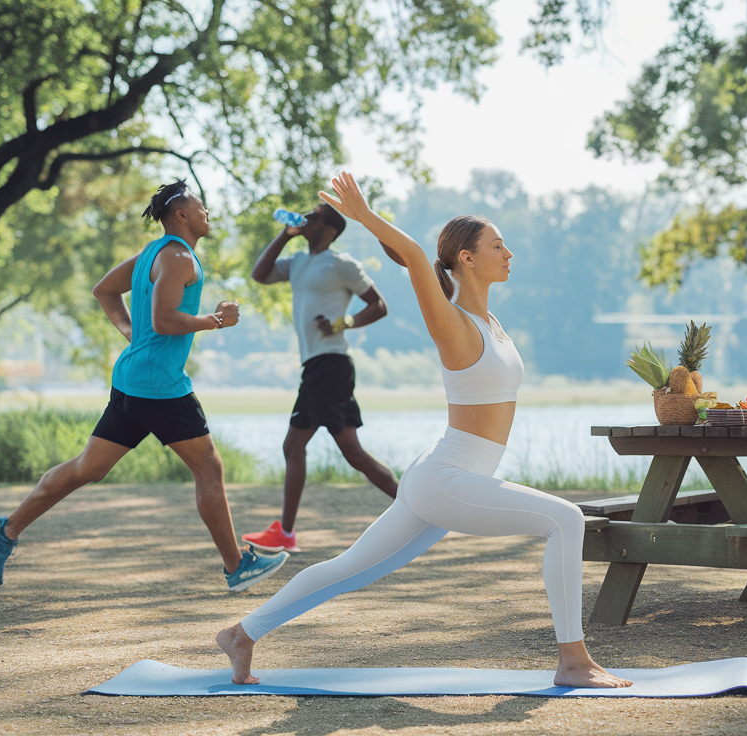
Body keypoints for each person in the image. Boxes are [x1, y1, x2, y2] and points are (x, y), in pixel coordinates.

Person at [216, 172, 631, 688]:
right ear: (467, 258)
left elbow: (422, 263)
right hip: (447, 477)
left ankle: (242, 633)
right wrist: (364, 216)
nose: (509, 253)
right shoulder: (451, 322)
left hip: (441, 474)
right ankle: (573, 662)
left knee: (351, 570)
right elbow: (414, 258)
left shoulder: (490, 323)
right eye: (497, 245)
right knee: (566, 519)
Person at [0, 181, 288, 593]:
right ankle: (237, 566)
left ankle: (6, 530)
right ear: (181, 215)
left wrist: (133, 333)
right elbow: (164, 320)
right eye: (201, 206)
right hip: (160, 385)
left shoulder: (152, 254)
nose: (207, 213)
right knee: (208, 467)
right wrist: (215, 320)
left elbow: (104, 291)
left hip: (133, 379)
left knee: (90, 467)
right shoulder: (178, 257)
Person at [241, 202, 399, 555]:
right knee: (353, 453)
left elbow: (379, 305)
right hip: (319, 365)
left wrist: (342, 324)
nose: (305, 219)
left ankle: (286, 533)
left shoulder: (341, 264)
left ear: (329, 228)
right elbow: (259, 274)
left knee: (294, 447)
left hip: (330, 363)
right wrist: (285, 235)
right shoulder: (298, 262)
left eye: (313, 216)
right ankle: (417, 506)